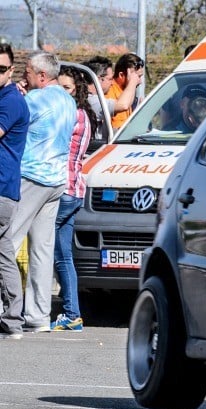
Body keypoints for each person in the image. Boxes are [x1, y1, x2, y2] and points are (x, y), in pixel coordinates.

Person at [1, 51, 76, 335]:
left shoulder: (34, 99)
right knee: (42, 250)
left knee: (7, 242)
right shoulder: (68, 100)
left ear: (42, 76)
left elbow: (14, 121)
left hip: (32, 177)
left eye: (29, 72)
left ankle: (7, 309)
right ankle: (39, 314)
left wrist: (19, 95)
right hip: (57, 181)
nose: (25, 76)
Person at [49, 66, 94, 332]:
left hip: (64, 190)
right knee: (62, 256)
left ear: (75, 90)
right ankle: (71, 313)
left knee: (46, 252)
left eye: (65, 88)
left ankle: (41, 311)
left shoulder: (72, 116)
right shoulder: (84, 115)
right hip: (75, 189)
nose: (61, 93)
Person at [0, 44, 30, 340]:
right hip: (6, 190)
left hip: (1, 189)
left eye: (0, 68)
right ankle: (12, 320)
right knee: (5, 254)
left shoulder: (10, 101)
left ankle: (13, 319)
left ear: (11, 70)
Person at [106, 52, 144, 130]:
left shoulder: (126, 91)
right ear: (121, 75)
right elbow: (118, 129)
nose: (139, 81)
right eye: (136, 77)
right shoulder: (109, 92)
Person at [82, 55, 114, 142]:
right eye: (110, 79)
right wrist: (133, 79)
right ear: (100, 79)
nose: (112, 83)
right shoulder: (91, 100)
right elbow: (123, 105)